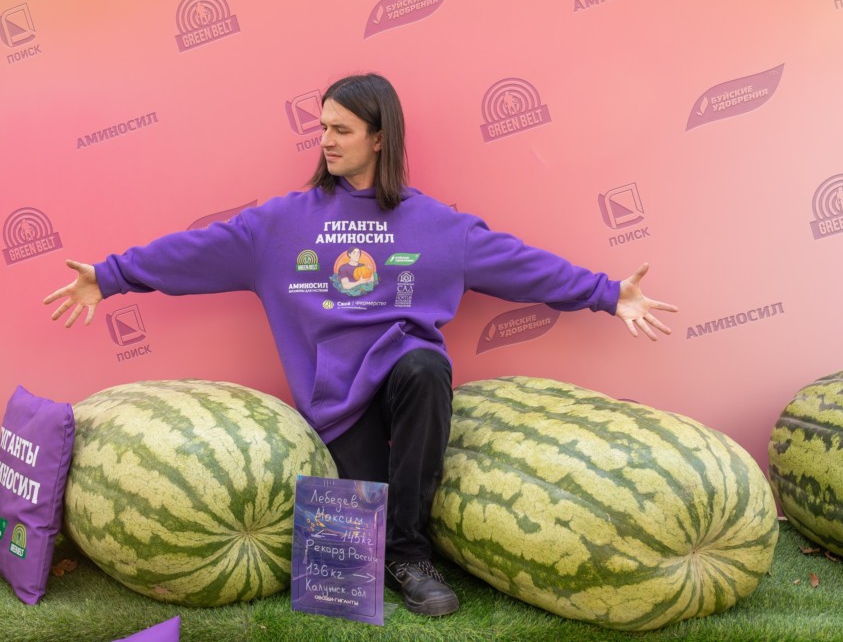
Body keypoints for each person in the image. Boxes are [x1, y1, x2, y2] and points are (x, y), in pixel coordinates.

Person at [44, 73, 677, 617]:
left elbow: (521, 266)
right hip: (334, 400)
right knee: (356, 533)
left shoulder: (437, 226)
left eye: (341, 129)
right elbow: (193, 252)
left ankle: (409, 557)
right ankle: (385, 544)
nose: (325, 140)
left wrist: (606, 293)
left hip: (405, 382)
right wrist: (110, 277)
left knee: (425, 365)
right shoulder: (279, 225)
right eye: (322, 128)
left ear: (379, 137)